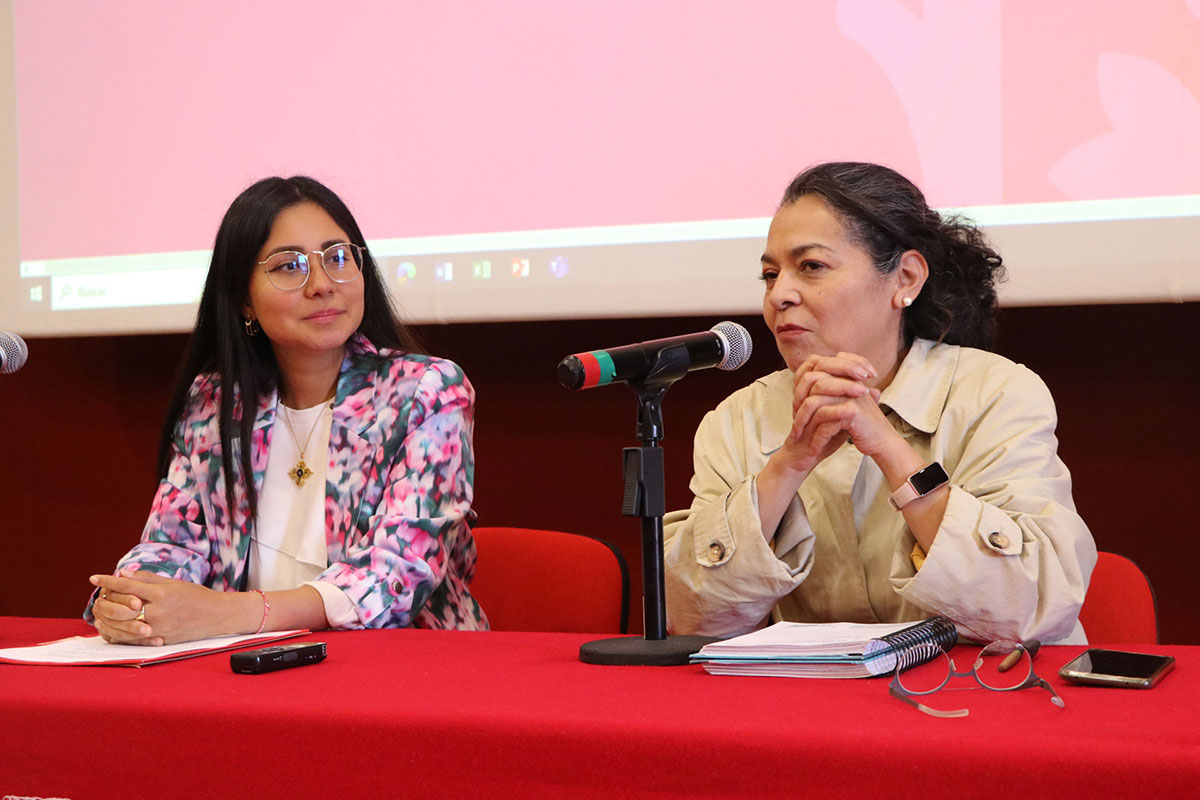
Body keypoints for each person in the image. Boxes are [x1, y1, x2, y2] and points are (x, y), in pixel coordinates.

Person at [663, 162, 1096, 644]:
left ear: (905, 278)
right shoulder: (737, 420)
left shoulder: (997, 394)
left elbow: (1030, 605)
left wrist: (890, 449)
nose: (780, 295)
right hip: (811, 705)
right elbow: (689, 620)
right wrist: (788, 465)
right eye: (769, 274)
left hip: (981, 695)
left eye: (811, 266)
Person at [85, 176, 487, 644]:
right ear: (243, 298)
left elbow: (395, 574)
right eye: (289, 266)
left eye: (338, 258)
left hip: (402, 668)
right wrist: (132, 602)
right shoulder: (214, 405)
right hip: (248, 671)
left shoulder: (426, 392)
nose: (321, 284)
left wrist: (227, 613)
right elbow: (170, 544)